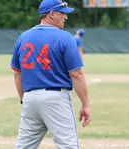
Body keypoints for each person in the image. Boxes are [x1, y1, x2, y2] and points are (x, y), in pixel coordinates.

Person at [11, 0, 91, 148]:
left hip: (29, 98)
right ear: (52, 14)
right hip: (56, 97)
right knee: (68, 145)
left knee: (24, 146)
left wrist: (25, 100)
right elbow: (77, 75)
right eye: (63, 14)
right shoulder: (65, 37)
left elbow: (17, 74)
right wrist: (85, 104)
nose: (66, 18)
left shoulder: (23, 37)